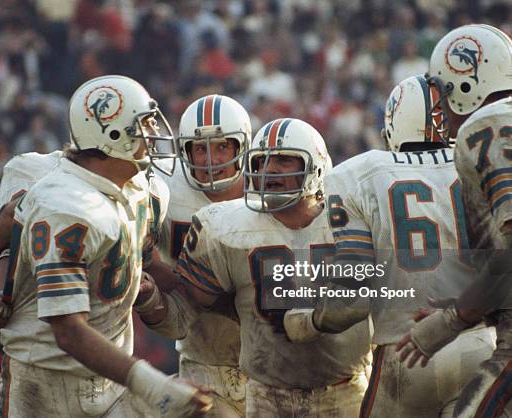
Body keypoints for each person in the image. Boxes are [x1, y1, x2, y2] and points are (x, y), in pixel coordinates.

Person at [0, 75, 211, 417]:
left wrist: (198, 294)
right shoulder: (65, 206)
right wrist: (150, 383)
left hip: (110, 376)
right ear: (112, 135)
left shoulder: (143, 188)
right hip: (45, 383)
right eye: (143, 125)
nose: (154, 133)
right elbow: (68, 330)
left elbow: (141, 256)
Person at [281, 74, 497, 417]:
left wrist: (310, 321)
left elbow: (350, 300)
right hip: (481, 343)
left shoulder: (360, 173)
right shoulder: (478, 162)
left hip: (406, 350)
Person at [140, 118, 371, 417]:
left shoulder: (353, 219)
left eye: (284, 160)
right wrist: (148, 298)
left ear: (315, 169)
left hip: (346, 391)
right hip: (266, 395)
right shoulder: (223, 225)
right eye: (261, 162)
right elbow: (182, 316)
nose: (269, 170)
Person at [396, 24, 512, 417]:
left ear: (464, 85)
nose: (441, 111)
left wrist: (452, 320)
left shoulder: (488, 127)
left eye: (442, 94)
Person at [140, 94, 252, 417]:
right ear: (185, 151)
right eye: (199, 148)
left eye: (221, 147)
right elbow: (140, 257)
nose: (210, 159)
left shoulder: (268, 188)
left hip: (268, 358)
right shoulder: (161, 188)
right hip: (199, 352)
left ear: (240, 147)